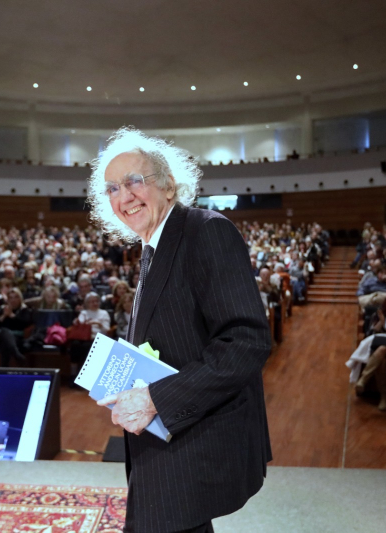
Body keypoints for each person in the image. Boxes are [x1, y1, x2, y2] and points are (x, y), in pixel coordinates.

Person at [87, 127, 271, 533]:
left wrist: (155, 399)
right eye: (113, 188)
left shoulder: (206, 230)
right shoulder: (154, 244)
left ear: (169, 185)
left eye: (135, 181)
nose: (124, 196)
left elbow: (246, 341)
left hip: (192, 433)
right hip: (167, 436)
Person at [0, 288, 33, 366]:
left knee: (5, 344)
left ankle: (4, 368)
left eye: (16, 297)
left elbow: (25, 323)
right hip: (1, 336)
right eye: (11, 298)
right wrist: (4, 315)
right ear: (8, 300)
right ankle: (17, 355)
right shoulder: (2, 310)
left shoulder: (25, 310)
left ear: (20, 299)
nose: (13, 300)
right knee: (4, 332)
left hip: (18, 338)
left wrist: (12, 315)